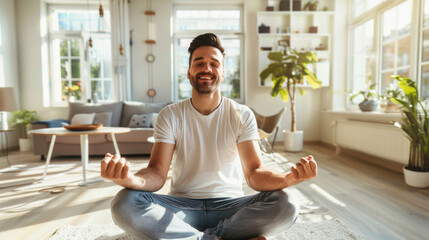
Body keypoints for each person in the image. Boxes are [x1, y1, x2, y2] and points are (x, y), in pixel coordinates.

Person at [101, 33, 317, 240]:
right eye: (199, 62)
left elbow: (254, 173)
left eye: (214, 63)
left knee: (286, 202)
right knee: (124, 202)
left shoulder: (241, 114)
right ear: (188, 72)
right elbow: (157, 173)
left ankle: (189, 237)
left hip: (231, 208)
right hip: (181, 207)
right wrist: (130, 180)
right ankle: (221, 237)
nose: (207, 68)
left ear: (223, 73)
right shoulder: (170, 114)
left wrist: (287, 179)